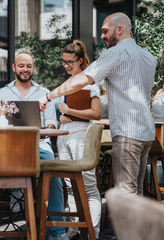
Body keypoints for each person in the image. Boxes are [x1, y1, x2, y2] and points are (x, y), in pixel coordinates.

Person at [40, 12, 157, 196]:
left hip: (128, 132)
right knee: (137, 192)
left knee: (126, 194)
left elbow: (80, 81)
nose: (101, 36)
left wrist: (48, 96)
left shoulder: (115, 53)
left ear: (119, 30)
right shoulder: (148, 56)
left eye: (104, 31)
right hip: (146, 132)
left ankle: (127, 226)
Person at [0, 52, 66, 240]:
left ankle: (58, 232)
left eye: (29, 66)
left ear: (33, 68)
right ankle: (18, 187)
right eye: (21, 65)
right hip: (10, 148)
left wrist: (45, 128)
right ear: (14, 68)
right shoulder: (3, 93)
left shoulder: (44, 93)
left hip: (39, 144)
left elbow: (52, 123)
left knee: (54, 177)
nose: (25, 69)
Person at [57, 40, 102, 239]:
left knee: (88, 184)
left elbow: (96, 113)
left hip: (82, 136)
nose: (66, 66)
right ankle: (74, 230)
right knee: (70, 184)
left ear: (81, 61)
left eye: (70, 62)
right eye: (64, 62)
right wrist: (62, 117)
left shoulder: (89, 82)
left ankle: (93, 232)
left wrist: (70, 110)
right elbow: (67, 112)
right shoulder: (66, 83)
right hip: (65, 134)